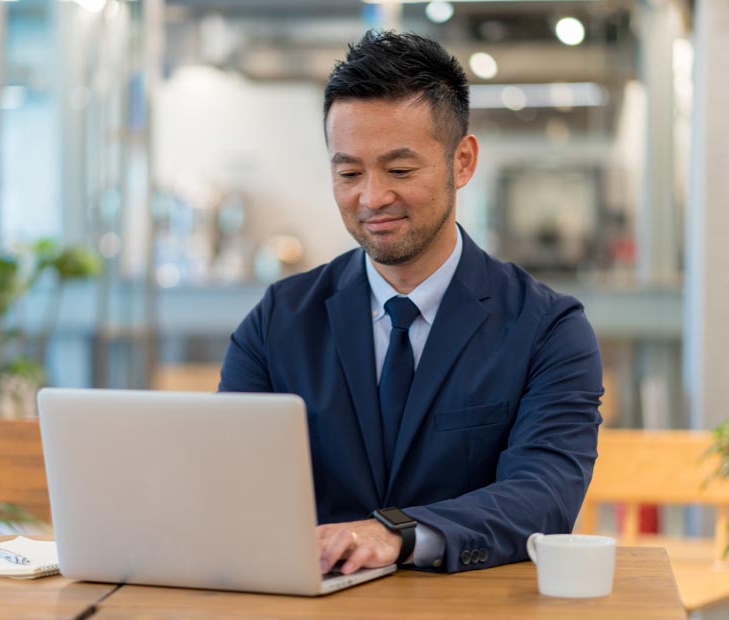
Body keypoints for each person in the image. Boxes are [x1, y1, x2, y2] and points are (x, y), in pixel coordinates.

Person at [219, 30, 603, 575]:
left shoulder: (547, 328)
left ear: (462, 161)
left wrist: (399, 534)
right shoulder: (278, 320)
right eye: (348, 172)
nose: (371, 197)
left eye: (399, 170)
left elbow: (544, 494)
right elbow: (228, 478)